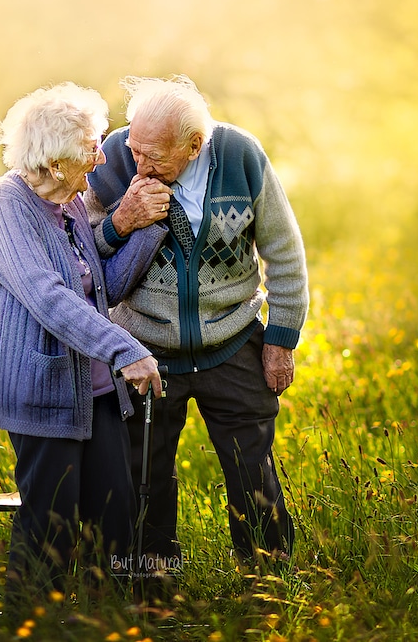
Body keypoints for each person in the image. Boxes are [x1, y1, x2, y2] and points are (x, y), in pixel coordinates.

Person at [85, 74, 308, 582]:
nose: (138, 164)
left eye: (154, 156)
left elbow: (285, 252)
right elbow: (82, 255)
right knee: (146, 476)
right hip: (143, 346)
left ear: (195, 145)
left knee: (252, 470)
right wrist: (121, 221)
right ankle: (151, 588)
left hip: (231, 340)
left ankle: (269, 581)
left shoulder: (241, 157)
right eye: (135, 147)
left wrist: (281, 339)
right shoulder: (114, 157)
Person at [0, 82, 166, 603]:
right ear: (54, 164)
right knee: (51, 528)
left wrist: (145, 227)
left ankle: (107, 623)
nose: (100, 159)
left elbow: (102, 288)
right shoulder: (3, 206)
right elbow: (49, 299)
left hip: (93, 391)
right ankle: (31, 626)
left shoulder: (70, 204)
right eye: (90, 149)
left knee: (115, 516)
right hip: (42, 387)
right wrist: (126, 349)